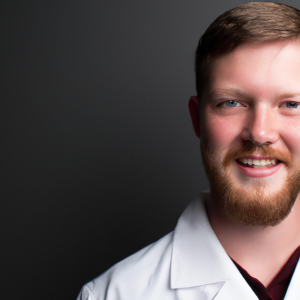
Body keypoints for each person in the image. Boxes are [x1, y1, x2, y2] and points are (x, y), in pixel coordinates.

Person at [77, 2, 300, 299]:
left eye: (292, 105)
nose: (259, 133)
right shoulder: (114, 294)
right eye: (231, 103)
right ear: (197, 118)